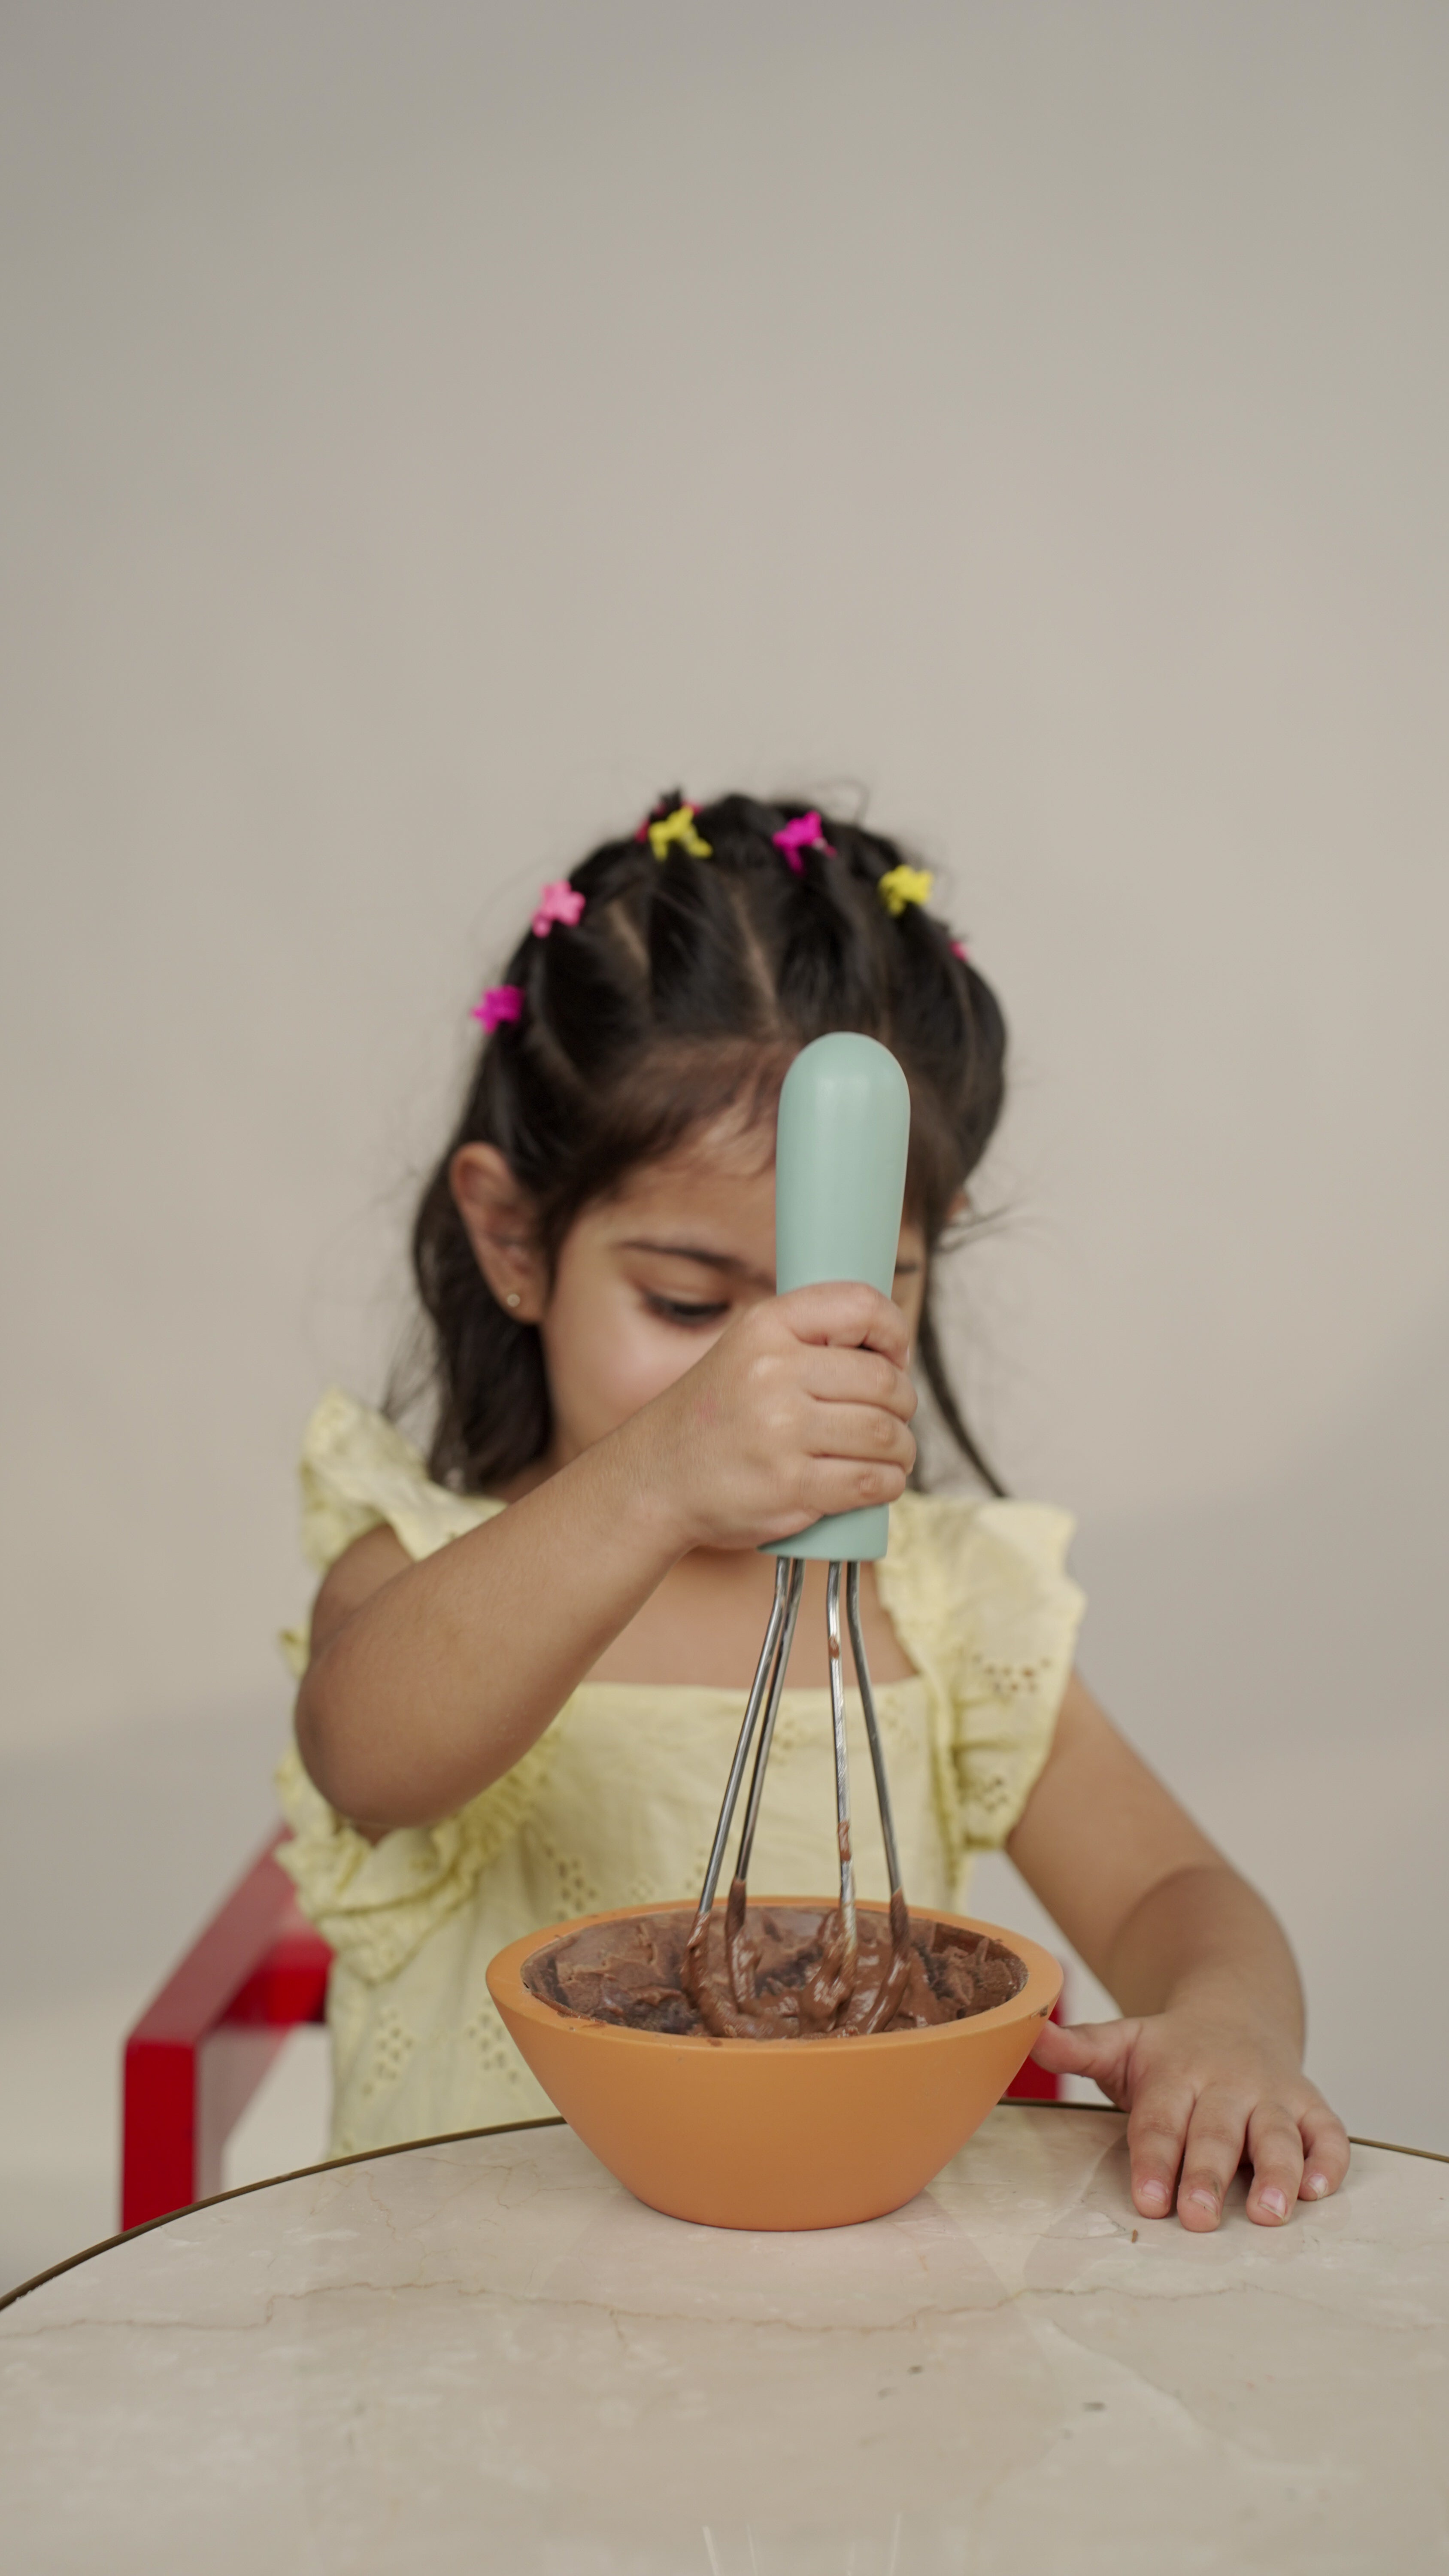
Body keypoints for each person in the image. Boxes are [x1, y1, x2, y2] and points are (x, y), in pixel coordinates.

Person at [279, 789, 1349, 2230]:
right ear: (515, 1240)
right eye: (686, 1302)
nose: (765, 1375)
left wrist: (1228, 2027)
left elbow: (1172, 1891)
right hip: (480, 2341)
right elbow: (369, 1753)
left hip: (858, 2364)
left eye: (854, 1299)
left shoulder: (949, 1606)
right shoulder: (427, 1569)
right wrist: (660, 1473)